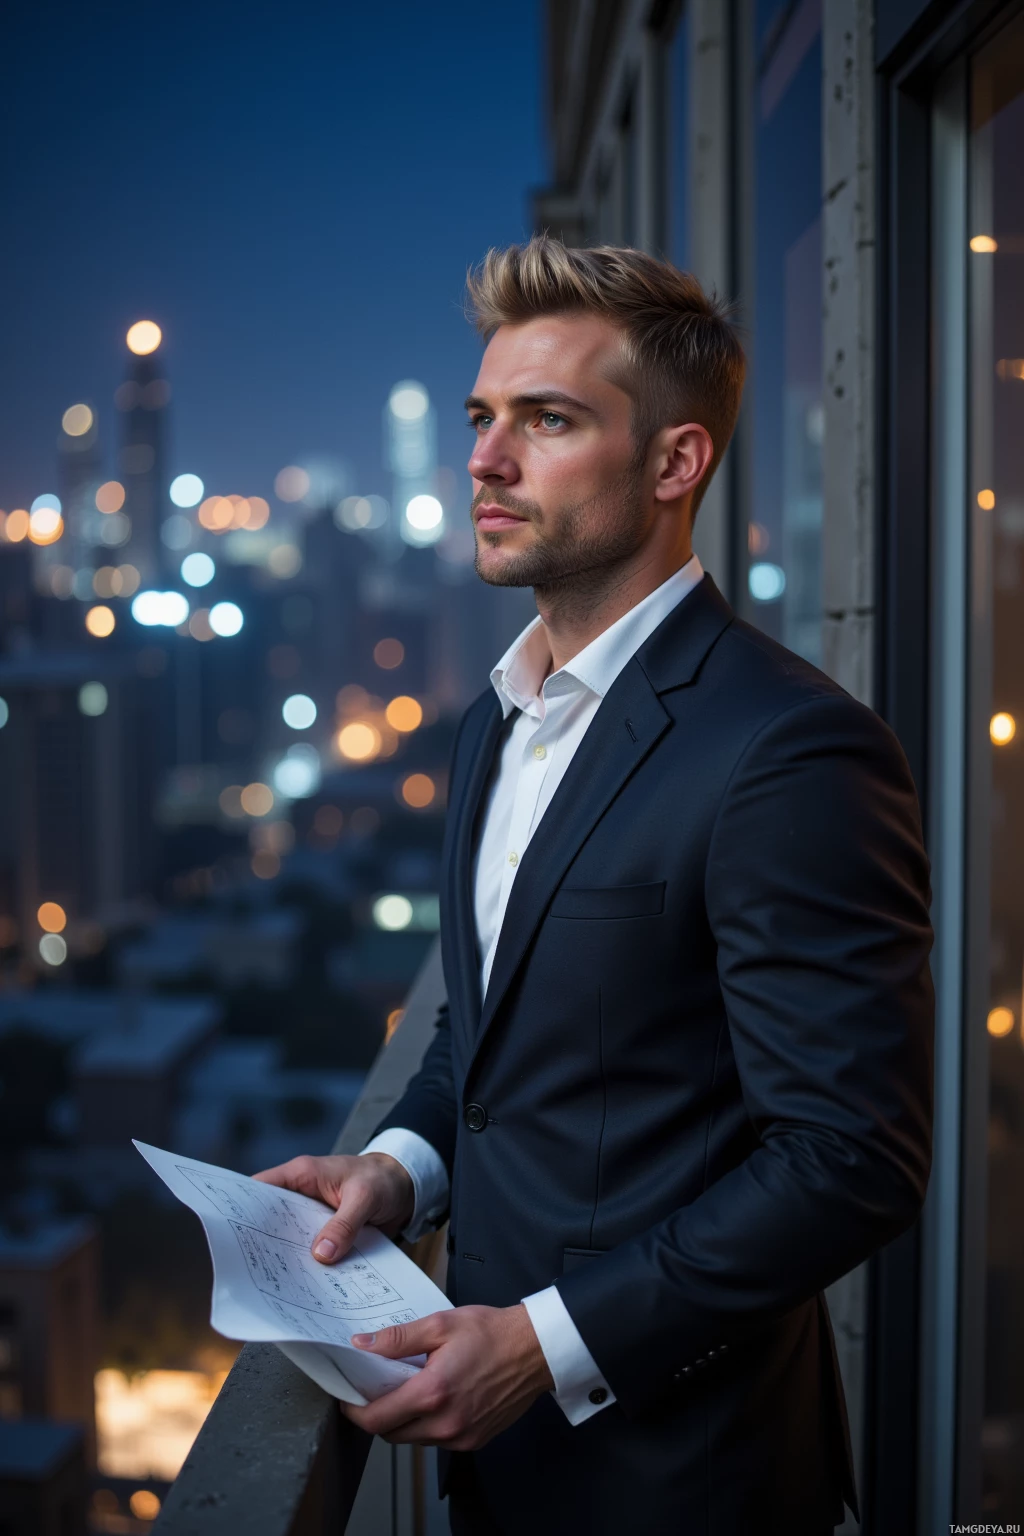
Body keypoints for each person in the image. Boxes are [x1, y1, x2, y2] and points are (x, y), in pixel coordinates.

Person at [256, 237, 934, 1535]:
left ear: (676, 462)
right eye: (482, 418)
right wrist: (398, 1170)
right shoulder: (494, 722)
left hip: (692, 1481)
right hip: (499, 1471)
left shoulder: (788, 748)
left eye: (547, 420)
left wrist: (543, 1345)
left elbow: (852, 1158)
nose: (485, 460)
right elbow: (490, 1031)